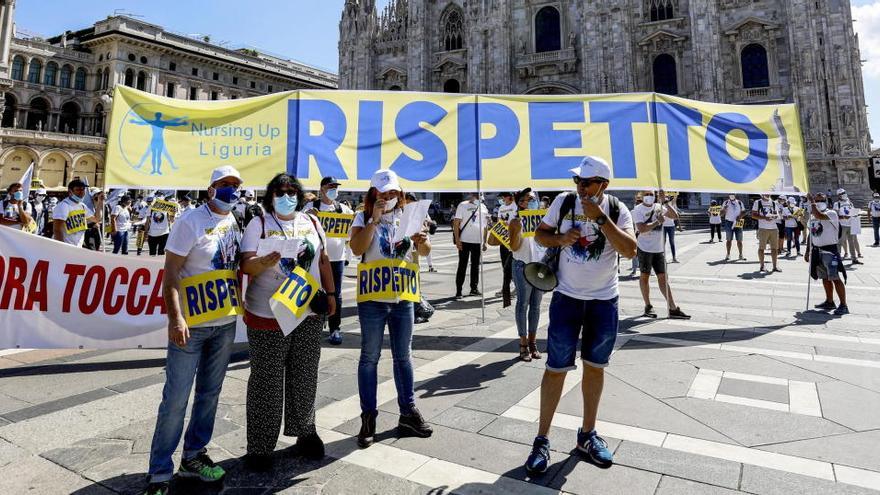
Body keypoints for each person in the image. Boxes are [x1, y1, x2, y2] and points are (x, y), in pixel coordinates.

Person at [524, 156, 637, 474]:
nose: (580, 187)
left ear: (603, 184)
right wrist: (560, 239)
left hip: (604, 301)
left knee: (595, 368)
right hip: (567, 298)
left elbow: (630, 250)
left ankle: (587, 435)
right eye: (577, 181)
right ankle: (541, 439)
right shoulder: (563, 202)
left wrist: (601, 220)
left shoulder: (617, 209)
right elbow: (541, 235)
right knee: (556, 368)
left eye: (586, 182)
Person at [145, 166, 244, 495]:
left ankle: (193, 456)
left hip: (224, 324)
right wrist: (176, 318)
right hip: (191, 326)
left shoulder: (233, 221)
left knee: (209, 396)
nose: (232, 190)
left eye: (236, 185)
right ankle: (159, 473)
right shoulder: (189, 221)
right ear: (211, 187)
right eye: (225, 184)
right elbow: (170, 274)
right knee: (175, 399)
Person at [239, 173, 336, 471]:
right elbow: (245, 265)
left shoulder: (312, 222)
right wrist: (265, 261)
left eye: (292, 191)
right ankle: (260, 446)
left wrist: (331, 294)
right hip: (269, 313)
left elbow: (322, 261)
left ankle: (306, 431)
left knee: (305, 374)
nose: (287, 196)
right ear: (271, 195)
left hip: (307, 311)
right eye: (280, 192)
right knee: (266, 381)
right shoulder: (260, 223)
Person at [349, 169, 433, 449]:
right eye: (383, 193)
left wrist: (423, 241)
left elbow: (423, 251)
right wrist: (373, 220)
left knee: (403, 357)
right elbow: (356, 247)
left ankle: (408, 412)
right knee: (369, 357)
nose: (388, 197)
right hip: (373, 299)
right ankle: (368, 417)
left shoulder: (409, 215)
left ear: (400, 193)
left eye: (393, 193)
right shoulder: (361, 217)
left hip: (403, 298)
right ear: (373, 194)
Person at [306, 176, 353, 346]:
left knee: (336, 295)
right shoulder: (311, 207)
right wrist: (309, 218)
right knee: (315, 293)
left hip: (337, 258)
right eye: (330, 186)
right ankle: (314, 327)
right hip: (317, 259)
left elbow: (350, 234)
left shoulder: (344, 210)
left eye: (335, 186)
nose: (333, 189)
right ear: (321, 189)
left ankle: (335, 328)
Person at [632, 190, 691, 319]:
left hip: (659, 249)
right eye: (646, 194)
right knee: (645, 276)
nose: (649, 197)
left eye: (651, 194)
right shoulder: (637, 210)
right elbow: (641, 228)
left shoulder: (659, 207)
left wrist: (664, 201)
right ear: (641, 196)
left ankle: (673, 307)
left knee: (663, 278)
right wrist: (657, 222)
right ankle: (648, 306)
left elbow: (675, 216)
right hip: (644, 248)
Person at [508, 188, 543, 361]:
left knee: (536, 306)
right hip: (522, 265)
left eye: (534, 198)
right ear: (521, 203)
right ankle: (523, 344)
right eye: (530, 199)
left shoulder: (541, 219)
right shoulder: (515, 221)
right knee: (523, 304)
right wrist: (519, 229)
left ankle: (533, 342)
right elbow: (513, 247)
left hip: (539, 266)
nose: (533, 201)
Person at [805, 193, 848, 315]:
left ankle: (844, 304)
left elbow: (819, 214)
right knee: (824, 278)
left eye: (821, 200)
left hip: (830, 251)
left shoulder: (831, 213)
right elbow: (811, 234)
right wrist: (808, 251)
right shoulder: (812, 217)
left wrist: (812, 201)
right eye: (816, 200)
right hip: (817, 251)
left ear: (826, 201)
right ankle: (829, 301)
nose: (818, 202)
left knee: (835, 278)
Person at [452, 192, 490, 299]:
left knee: (475, 266)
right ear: (472, 196)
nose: (479, 199)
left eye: (480, 197)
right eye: (477, 196)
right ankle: (459, 290)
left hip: (477, 241)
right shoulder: (463, 205)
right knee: (462, 265)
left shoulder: (483, 207)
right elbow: (456, 223)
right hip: (465, 240)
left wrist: (485, 241)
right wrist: (458, 239)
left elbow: (485, 226)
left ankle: (474, 288)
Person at [52, 179, 104, 247]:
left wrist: (100, 202)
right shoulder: (64, 206)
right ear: (70, 191)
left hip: (77, 247)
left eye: (83, 189)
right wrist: (62, 247)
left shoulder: (82, 206)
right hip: (66, 247)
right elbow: (57, 230)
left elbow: (97, 219)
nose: (81, 192)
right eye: (78, 190)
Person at [751, 194, 781, 273]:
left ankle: (775, 266)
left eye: (768, 193)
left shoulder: (774, 203)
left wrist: (775, 216)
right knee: (762, 248)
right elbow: (753, 215)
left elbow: (777, 214)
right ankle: (762, 266)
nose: (766, 194)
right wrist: (764, 218)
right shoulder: (758, 202)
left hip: (774, 228)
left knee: (775, 248)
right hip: (763, 228)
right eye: (764, 193)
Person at [497, 191, 518, 307]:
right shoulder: (501, 207)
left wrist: (508, 223)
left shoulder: (515, 206)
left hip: (513, 239)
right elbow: (499, 221)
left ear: (509, 197)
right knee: (504, 266)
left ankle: (515, 287)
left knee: (511, 266)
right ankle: (506, 287)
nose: (502, 199)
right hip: (503, 238)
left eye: (503, 197)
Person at [833, 188, 857, 261]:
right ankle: (838, 257)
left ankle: (854, 258)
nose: (843, 194)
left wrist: (856, 214)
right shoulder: (837, 204)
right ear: (838, 196)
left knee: (851, 242)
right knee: (840, 241)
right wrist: (843, 217)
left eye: (844, 193)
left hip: (850, 224)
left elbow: (853, 211)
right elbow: (835, 215)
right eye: (841, 194)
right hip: (842, 225)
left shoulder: (850, 202)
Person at [721, 194, 746, 261]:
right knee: (729, 240)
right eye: (730, 194)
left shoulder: (740, 202)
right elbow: (721, 214)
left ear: (735, 195)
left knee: (739, 240)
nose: (732, 195)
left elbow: (744, 212)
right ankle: (728, 254)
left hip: (738, 222)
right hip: (728, 222)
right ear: (728, 195)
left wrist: (740, 216)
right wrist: (724, 209)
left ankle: (741, 255)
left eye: (733, 194)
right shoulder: (725, 202)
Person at [659, 190, 678, 262]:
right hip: (664, 226)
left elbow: (674, 199)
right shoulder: (661, 206)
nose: (666, 199)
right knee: (663, 242)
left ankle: (674, 257)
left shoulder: (671, 205)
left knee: (672, 242)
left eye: (667, 198)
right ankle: (663, 258)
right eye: (665, 198)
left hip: (671, 226)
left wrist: (676, 193)